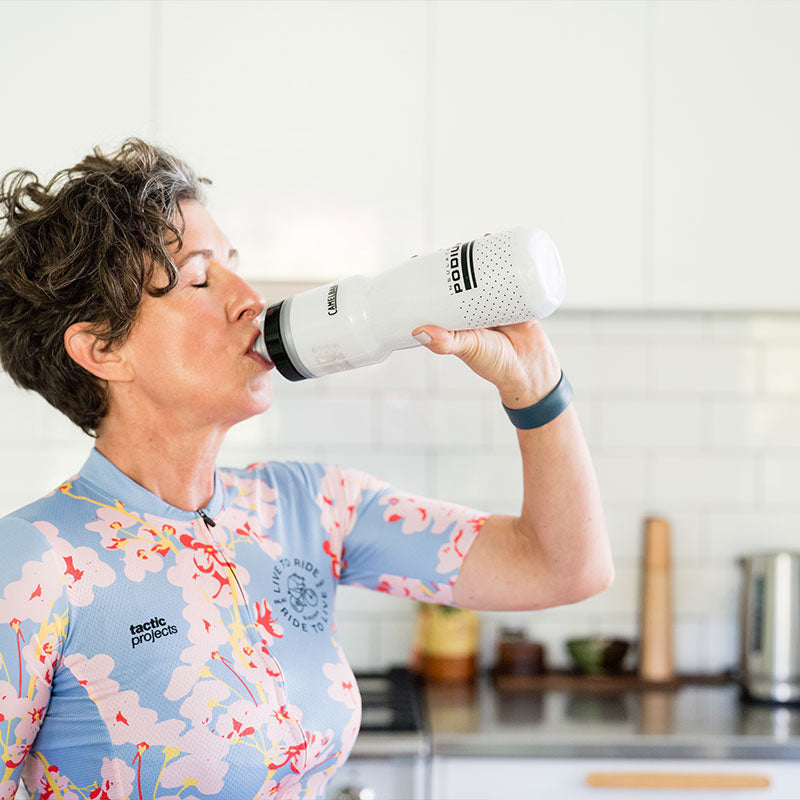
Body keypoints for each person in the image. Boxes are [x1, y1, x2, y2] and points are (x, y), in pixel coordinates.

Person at [0, 139, 612, 800]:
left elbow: (563, 566)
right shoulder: (33, 565)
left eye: (236, 265)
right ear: (101, 349)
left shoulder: (310, 506)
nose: (248, 299)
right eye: (201, 278)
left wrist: (536, 390)